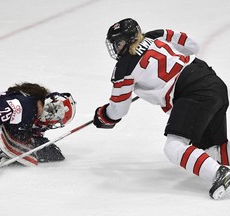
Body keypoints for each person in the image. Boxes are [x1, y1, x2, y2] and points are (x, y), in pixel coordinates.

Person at [93, 18, 230, 200]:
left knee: (174, 147)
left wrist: (103, 115)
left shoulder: (124, 67)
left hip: (193, 93)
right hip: (212, 81)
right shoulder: (158, 34)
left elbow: (118, 110)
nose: (116, 48)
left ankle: (220, 175)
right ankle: (222, 167)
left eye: (118, 43)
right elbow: (193, 46)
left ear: (127, 41)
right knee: (212, 148)